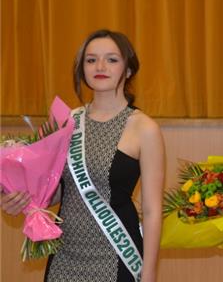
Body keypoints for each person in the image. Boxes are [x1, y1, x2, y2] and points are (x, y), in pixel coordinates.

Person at [1, 29, 165, 282]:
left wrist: (150, 274)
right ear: (82, 69)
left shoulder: (145, 128)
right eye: (91, 60)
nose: (100, 66)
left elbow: (153, 210)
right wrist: (20, 198)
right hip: (65, 254)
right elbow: (56, 191)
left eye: (112, 59)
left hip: (118, 251)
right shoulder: (66, 120)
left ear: (129, 69)